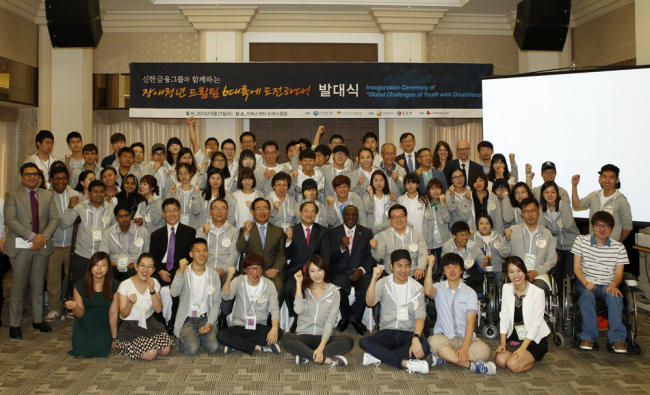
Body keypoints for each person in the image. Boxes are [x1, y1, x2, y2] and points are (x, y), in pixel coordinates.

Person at [4, 163, 60, 339]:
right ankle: (15, 324)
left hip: (41, 247)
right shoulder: (12, 195)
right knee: (18, 288)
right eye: (28, 174)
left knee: (38, 287)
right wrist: (31, 236)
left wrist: (41, 239)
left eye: (35, 174)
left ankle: (38, 320)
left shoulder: (47, 195)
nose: (31, 177)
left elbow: (54, 218)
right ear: (21, 176)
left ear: (40, 177)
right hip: (21, 248)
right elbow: (10, 220)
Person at [360, 250, 430, 374]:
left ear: (411, 267)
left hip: (408, 333)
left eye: (407, 266)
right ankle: (404, 362)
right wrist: (373, 280)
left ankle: (378, 356)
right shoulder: (383, 283)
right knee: (364, 341)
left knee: (425, 347)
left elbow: (420, 317)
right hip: (387, 333)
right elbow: (370, 302)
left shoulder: (417, 288)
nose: (403, 270)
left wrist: (416, 338)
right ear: (391, 266)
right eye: (399, 265)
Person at [425, 253, 496, 375]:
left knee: (484, 350)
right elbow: (427, 291)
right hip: (444, 337)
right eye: (448, 267)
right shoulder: (438, 288)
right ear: (443, 271)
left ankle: (444, 358)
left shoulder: (470, 293)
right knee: (433, 342)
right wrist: (430, 266)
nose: (452, 270)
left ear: (462, 270)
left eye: (455, 266)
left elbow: (471, 322)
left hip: (466, 338)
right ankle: (473, 366)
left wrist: (464, 348)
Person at [572, 211, 629, 353]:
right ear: (592, 226)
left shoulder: (619, 248)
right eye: (598, 225)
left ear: (611, 229)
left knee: (614, 295)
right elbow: (576, 267)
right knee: (586, 296)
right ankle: (588, 337)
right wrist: (585, 282)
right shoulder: (581, 240)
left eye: (606, 226)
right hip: (586, 283)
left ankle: (617, 339)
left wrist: (614, 284)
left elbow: (619, 273)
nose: (602, 229)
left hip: (607, 284)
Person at [283, 255, 353, 367]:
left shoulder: (334, 292)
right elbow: (298, 310)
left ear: (325, 270)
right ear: (308, 273)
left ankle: (306, 356)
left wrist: (321, 347)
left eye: (319, 270)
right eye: (312, 271)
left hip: (324, 337)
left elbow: (330, 321)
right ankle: (326, 359)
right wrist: (299, 284)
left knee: (348, 341)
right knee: (286, 339)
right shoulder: (304, 289)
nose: (316, 274)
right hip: (304, 336)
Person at [217, 254, 283, 354]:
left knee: (279, 332)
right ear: (245, 270)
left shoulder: (269, 284)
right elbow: (226, 296)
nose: (255, 272)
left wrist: (274, 328)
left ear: (262, 269)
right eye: (251, 269)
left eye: (258, 268)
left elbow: (274, 308)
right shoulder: (238, 281)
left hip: (259, 326)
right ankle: (258, 347)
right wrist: (229, 278)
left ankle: (235, 345)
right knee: (221, 335)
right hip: (240, 326)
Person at [496, 256, 550, 373]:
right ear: (507, 275)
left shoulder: (538, 293)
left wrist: (523, 348)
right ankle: (523, 357)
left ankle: (534, 358)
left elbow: (536, 324)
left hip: (534, 339)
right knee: (501, 361)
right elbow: (504, 316)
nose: (516, 275)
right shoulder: (506, 288)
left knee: (513, 365)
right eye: (511, 272)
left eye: (519, 271)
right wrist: (503, 343)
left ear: (524, 272)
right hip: (516, 336)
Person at [115, 253, 174, 360]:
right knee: (151, 354)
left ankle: (147, 343)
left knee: (165, 350)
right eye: (142, 265)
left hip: (149, 322)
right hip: (130, 325)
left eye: (149, 267)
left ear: (153, 270)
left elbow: (158, 309)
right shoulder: (125, 285)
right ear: (136, 267)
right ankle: (124, 345)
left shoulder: (154, 282)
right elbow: (123, 314)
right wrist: (130, 303)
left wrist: (152, 291)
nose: (145, 270)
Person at [170, 238, 222, 354]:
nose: (202, 254)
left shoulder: (213, 274)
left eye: (204, 250)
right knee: (192, 349)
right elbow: (173, 293)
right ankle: (186, 337)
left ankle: (198, 335)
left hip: (205, 317)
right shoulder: (184, 272)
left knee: (213, 347)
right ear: (191, 254)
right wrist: (180, 272)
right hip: (187, 318)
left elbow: (216, 303)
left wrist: (209, 323)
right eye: (197, 251)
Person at [150, 198, 195, 334]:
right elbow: (153, 257)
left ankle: (174, 322)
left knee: (179, 286)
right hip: (161, 269)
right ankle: (158, 320)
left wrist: (181, 270)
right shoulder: (156, 235)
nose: (171, 214)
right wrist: (160, 271)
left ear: (180, 212)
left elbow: (191, 256)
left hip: (180, 269)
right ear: (163, 214)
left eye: (174, 210)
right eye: (168, 211)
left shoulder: (190, 232)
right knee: (150, 284)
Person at [284, 201, 330, 329]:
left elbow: (325, 255)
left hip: (316, 272)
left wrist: (319, 272)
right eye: (306, 211)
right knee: (288, 288)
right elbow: (287, 254)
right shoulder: (292, 230)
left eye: (312, 211)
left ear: (316, 214)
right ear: (300, 213)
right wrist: (288, 240)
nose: (309, 214)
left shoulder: (323, 231)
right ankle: (296, 317)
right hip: (296, 271)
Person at [329, 205, 375, 335]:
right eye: (348, 214)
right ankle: (354, 320)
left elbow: (371, 256)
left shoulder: (366, 232)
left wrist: (361, 270)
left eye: (354, 214)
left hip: (360, 272)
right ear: (343, 215)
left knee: (367, 290)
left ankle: (346, 319)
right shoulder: (333, 232)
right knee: (338, 289)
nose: (351, 217)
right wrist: (341, 247)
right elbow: (329, 257)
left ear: (358, 216)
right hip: (340, 271)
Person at [60, 180, 116, 284]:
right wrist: (70, 208)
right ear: (89, 193)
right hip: (82, 254)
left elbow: (115, 231)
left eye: (101, 191)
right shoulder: (80, 207)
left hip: (102, 256)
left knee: (100, 287)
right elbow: (64, 224)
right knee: (79, 285)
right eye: (95, 191)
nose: (99, 194)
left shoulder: (111, 209)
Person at [66, 251, 119, 358]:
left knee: (101, 349)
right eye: (95, 265)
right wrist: (74, 307)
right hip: (84, 327)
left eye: (103, 265)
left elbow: (113, 313)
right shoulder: (80, 286)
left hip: (104, 327)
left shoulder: (115, 285)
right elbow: (79, 315)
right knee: (81, 351)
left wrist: (114, 338)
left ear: (108, 268)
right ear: (90, 267)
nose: (99, 269)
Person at [45, 164, 81, 321]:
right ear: (51, 179)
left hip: (74, 245)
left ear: (68, 179)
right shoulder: (45, 195)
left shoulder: (76, 194)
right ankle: (54, 308)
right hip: (53, 245)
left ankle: (73, 307)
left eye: (64, 178)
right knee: (53, 279)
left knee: (73, 278)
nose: (60, 181)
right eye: (57, 178)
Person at [196, 198, 239, 328]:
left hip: (224, 270)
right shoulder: (202, 230)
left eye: (223, 208)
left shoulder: (233, 231)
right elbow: (198, 252)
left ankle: (223, 317)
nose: (219, 211)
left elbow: (234, 254)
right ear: (210, 211)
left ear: (227, 211)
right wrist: (204, 234)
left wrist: (223, 269)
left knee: (230, 281)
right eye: (216, 208)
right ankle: (202, 316)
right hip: (205, 270)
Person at [502, 197, 557, 294]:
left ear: (539, 212)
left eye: (533, 211)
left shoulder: (546, 234)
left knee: (538, 287)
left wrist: (537, 271)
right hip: (517, 274)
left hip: (539, 275)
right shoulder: (514, 230)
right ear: (521, 213)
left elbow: (552, 259)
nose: (530, 214)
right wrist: (506, 240)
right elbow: (503, 254)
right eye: (526, 211)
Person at [236, 198, 287, 300]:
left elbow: (283, 253)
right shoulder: (245, 229)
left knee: (278, 288)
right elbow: (241, 249)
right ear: (253, 212)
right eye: (258, 209)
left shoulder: (279, 231)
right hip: (251, 271)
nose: (262, 212)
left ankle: (272, 316)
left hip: (272, 270)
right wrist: (247, 232)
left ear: (269, 211)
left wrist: (275, 269)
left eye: (265, 208)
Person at [572, 164, 633, 243]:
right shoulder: (594, 195)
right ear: (600, 178)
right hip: (593, 243)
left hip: (611, 244)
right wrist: (574, 186)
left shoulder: (621, 200)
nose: (607, 181)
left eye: (611, 177)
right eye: (604, 177)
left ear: (617, 180)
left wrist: (617, 242)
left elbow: (627, 227)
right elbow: (577, 205)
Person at [370, 205, 428, 280]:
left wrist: (420, 268)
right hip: (391, 275)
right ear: (390, 220)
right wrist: (374, 249)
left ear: (406, 218)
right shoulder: (384, 235)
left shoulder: (417, 235)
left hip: (414, 274)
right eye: (394, 217)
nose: (399, 220)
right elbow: (379, 257)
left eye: (401, 216)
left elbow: (423, 254)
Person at [540, 181, 579, 288]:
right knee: (557, 276)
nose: (550, 195)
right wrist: (552, 250)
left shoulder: (563, 205)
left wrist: (566, 203)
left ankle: (569, 300)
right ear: (542, 194)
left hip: (572, 246)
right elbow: (543, 231)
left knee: (568, 275)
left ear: (557, 193)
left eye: (553, 192)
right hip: (557, 246)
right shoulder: (542, 209)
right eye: (546, 192)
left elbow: (567, 225)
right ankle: (558, 300)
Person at [99, 202, 150, 282]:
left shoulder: (143, 232)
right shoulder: (109, 232)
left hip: (134, 268)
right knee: (110, 271)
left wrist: (138, 265)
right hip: (115, 267)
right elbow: (102, 254)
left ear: (130, 215)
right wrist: (109, 261)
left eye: (126, 215)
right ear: (116, 217)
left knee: (133, 272)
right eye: (120, 216)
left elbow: (147, 255)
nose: (124, 219)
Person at [441, 221, 489, 294]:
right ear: (454, 235)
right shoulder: (447, 247)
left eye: (467, 234)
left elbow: (483, 262)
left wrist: (488, 259)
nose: (465, 238)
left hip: (470, 279)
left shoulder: (473, 246)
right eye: (461, 235)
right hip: (453, 278)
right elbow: (444, 265)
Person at [397, 173, 434, 248]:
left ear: (418, 184)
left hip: (421, 239)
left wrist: (429, 242)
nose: (410, 185)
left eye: (413, 183)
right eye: (408, 183)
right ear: (404, 185)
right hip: (404, 239)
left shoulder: (424, 201)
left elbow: (430, 222)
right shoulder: (400, 200)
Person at [473, 214, 509, 285]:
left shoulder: (498, 236)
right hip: (481, 270)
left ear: (491, 225)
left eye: (487, 223)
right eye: (481, 223)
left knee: (499, 289)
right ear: (477, 225)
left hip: (498, 269)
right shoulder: (473, 238)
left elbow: (504, 252)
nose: (484, 226)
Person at [465, 171, 504, 235]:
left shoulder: (493, 197)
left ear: (485, 181)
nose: (478, 183)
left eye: (480, 180)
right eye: (475, 181)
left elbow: (498, 218)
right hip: (474, 233)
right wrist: (468, 201)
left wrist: (499, 235)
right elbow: (464, 216)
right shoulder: (468, 196)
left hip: (491, 233)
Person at [167, 162, 201, 228]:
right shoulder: (174, 191)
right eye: (180, 174)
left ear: (191, 173)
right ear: (177, 175)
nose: (183, 176)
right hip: (177, 228)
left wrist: (196, 194)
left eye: (186, 173)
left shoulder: (196, 191)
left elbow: (196, 211)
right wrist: (172, 194)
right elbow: (169, 209)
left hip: (193, 228)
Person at [424, 178, 451, 263]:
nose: (435, 191)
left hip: (443, 240)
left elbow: (447, 219)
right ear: (428, 190)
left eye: (438, 188)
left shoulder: (444, 202)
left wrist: (442, 203)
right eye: (432, 188)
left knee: (443, 264)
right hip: (429, 241)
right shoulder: (424, 203)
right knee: (430, 267)